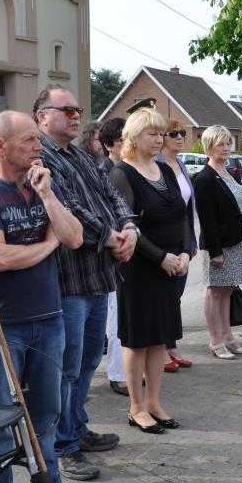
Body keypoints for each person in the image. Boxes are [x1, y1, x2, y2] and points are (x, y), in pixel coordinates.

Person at [0, 110, 85, 483]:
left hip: (48, 317)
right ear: (0, 146)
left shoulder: (44, 185)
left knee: (47, 409)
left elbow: (75, 237)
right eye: (29, 141)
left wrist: (48, 196)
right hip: (1, 323)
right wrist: (49, 246)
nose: (38, 147)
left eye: (38, 140)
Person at [35, 86, 135, 482]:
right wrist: (112, 237)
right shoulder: (40, 158)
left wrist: (129, 227)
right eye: (67, 109)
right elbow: (67, 207)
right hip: (70, 277)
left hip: (98, 275)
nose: (76, 115)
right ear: (43, 116)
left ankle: (76, 426)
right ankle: (63, 446)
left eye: (78, 109)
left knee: (89, 357)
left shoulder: (80, 154)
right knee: (68, 365)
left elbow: (111, 192)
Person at [109, 109, 190, 433]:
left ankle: (154, 402)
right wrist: (161, 258)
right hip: (139, 269)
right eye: (152, 134)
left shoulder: (165, 170)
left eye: (161, 134)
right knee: (138, 340)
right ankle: (136, 407)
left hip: (169, 269)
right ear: (133, 137)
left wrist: (184, 252)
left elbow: (181, 216)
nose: (159, 140)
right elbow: (128, 226)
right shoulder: (121, 174)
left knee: (160, 339)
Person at [193, 125, 242, 359]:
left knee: (229, 290)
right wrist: (215, 251)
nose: (225, 148)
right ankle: (215, 340)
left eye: (228, 143)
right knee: (216, 292)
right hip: (222, 243)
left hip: (240, 238)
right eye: (220, 144)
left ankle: (228, 336)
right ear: (209, 147)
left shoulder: (230, 172)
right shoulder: (205, 178)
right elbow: (207, 219)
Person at [158, 117, 198, 370]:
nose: (180, 137)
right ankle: (160, 348)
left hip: (182, 238)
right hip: (163, 240)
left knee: (176, 296)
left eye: (182, 132)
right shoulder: (156, 164)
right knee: (163, 296)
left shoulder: (181, 164)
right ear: (161, 137)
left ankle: (171, 345)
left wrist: (190, 241)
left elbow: (188, 206)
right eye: (174, 133)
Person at [97, 117, 130, 395]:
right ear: (108, 145)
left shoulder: (127, 169)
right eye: (122, 141)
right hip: (110, 253)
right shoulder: (105, 172)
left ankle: (123, 370)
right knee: (114, 315)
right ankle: (117, 374)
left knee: (121, 314)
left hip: (126, 249)